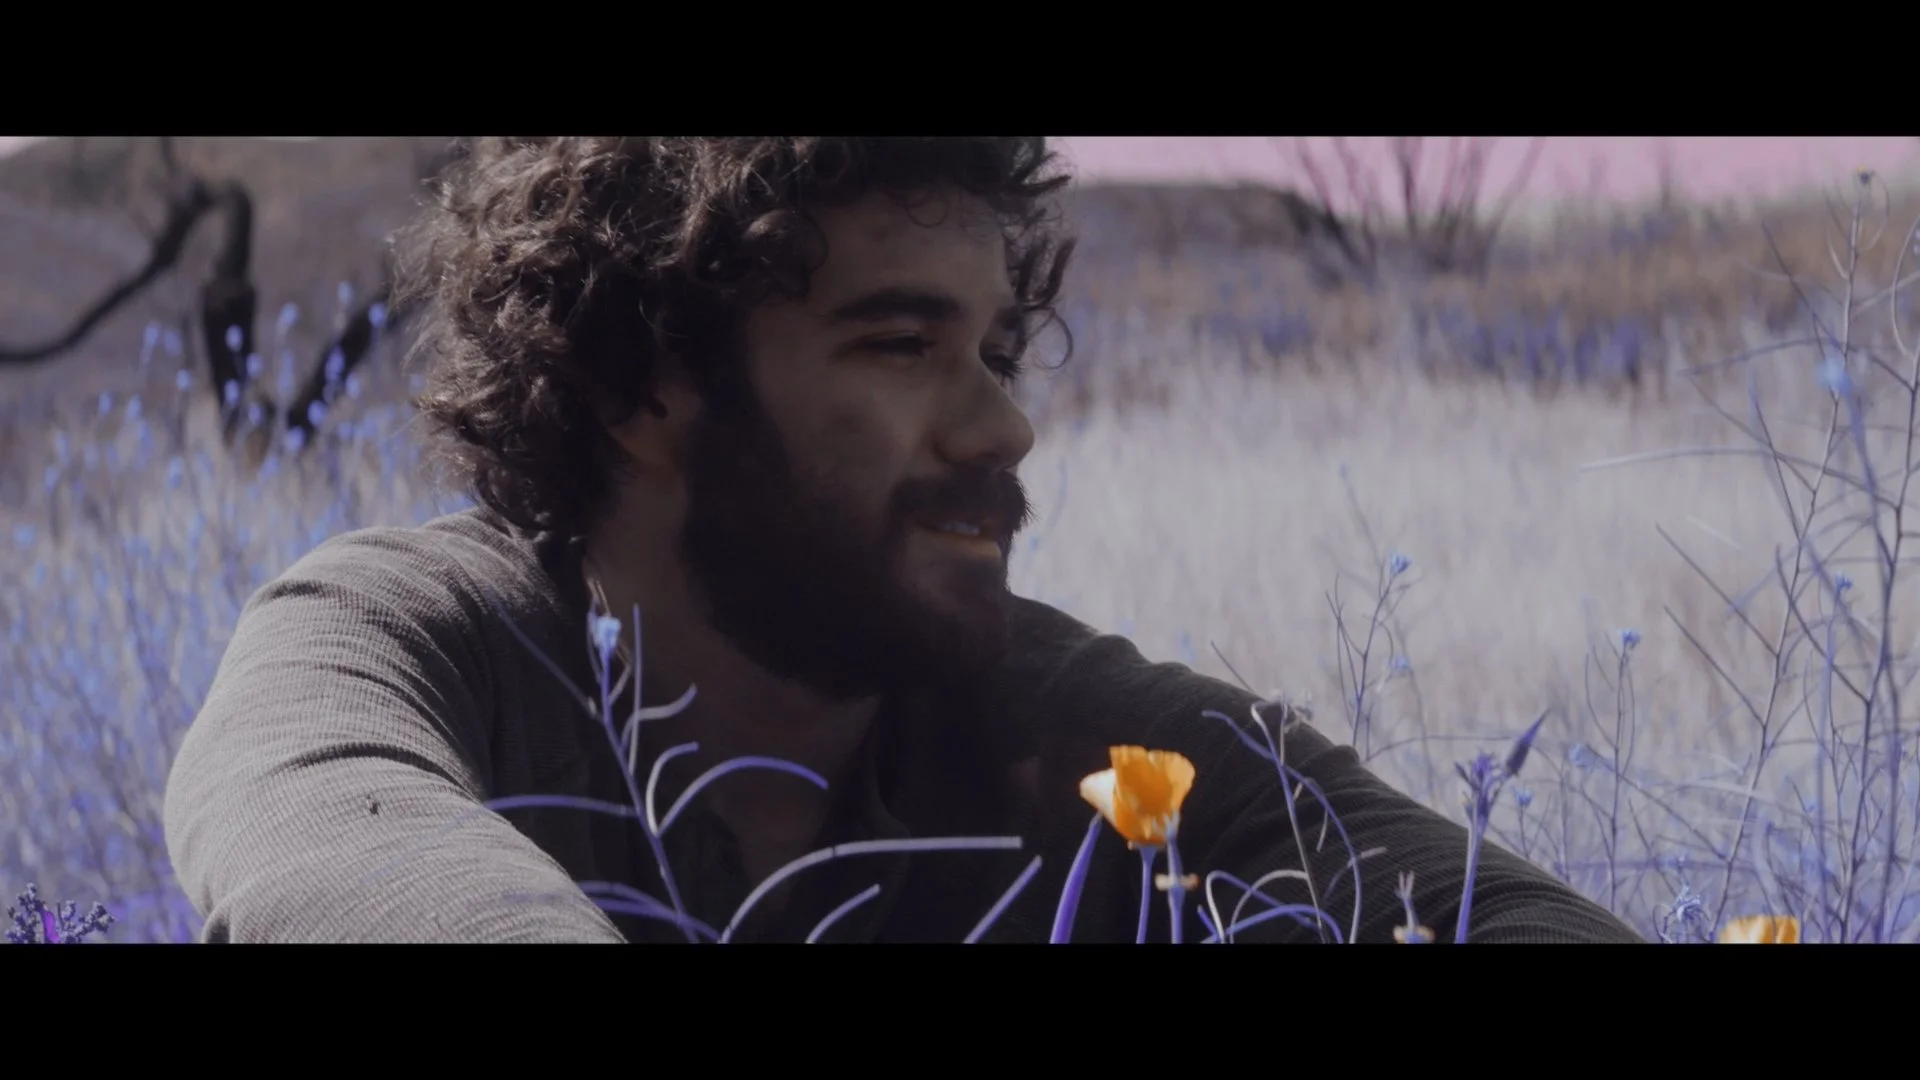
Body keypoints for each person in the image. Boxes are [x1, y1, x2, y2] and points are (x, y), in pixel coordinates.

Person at [162, 137, 1641, 943]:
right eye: (899, 345)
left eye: (996, 349)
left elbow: (1482, 910)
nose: (1003, 426)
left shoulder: (1074, 724)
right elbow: (325, 837)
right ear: (641, 385)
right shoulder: (409, 636)